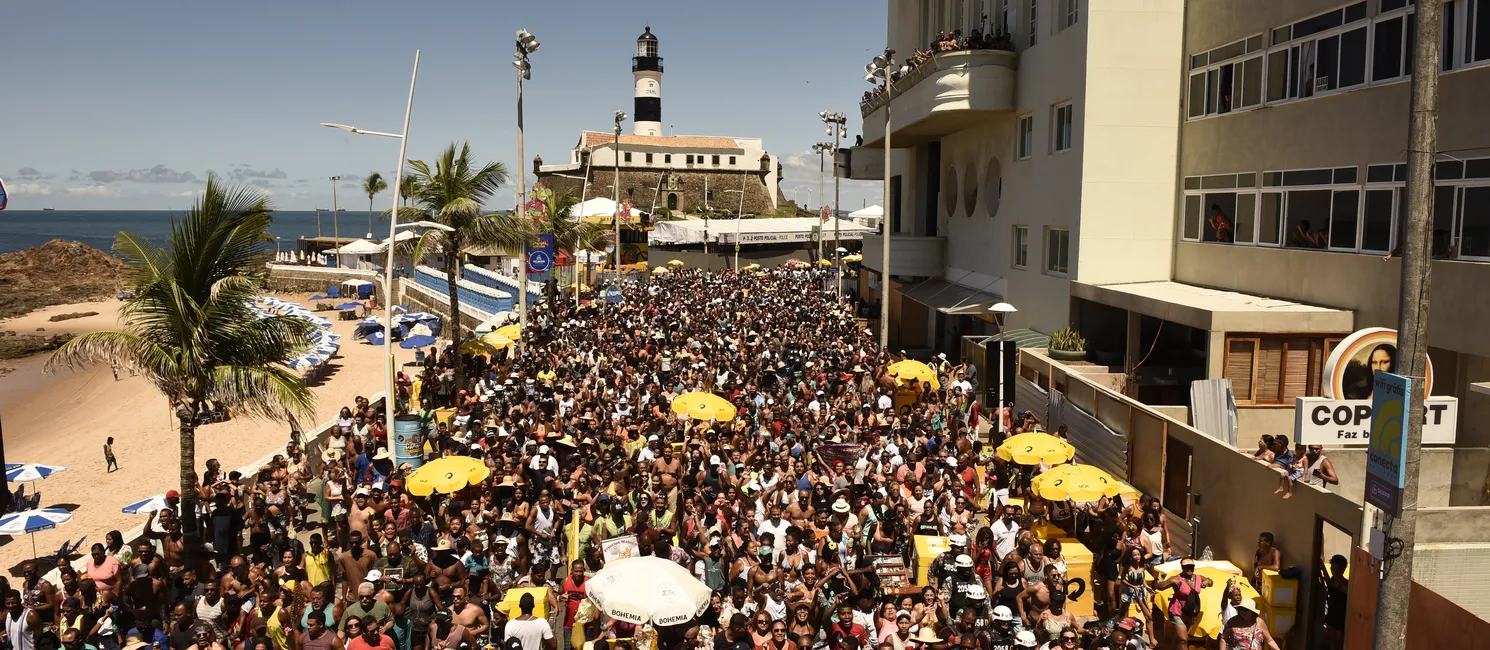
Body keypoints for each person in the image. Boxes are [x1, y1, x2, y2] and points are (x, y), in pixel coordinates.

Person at [1153, 558, 1211, 650]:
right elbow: (1159, 587)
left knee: (1178, 638)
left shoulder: (1198, 577)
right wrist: (1170, 581)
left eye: (1191, 567)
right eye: (1187, 567)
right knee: (1183, 639)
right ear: (1182, 568)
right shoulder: (1176, 578)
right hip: (1177, 611)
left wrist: (1207, 581)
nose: (1189, 569)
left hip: (1190, 611)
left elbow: (1211, 581)